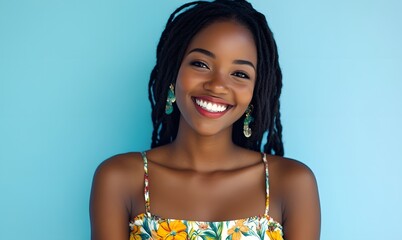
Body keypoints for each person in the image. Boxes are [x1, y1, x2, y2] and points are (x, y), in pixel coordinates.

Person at [89, 0, 321, 239]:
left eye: (240, 74)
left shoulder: (292, 183)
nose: (217, 85)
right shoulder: (119, 179)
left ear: (255, 93)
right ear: (173, 73)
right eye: (201, 64)